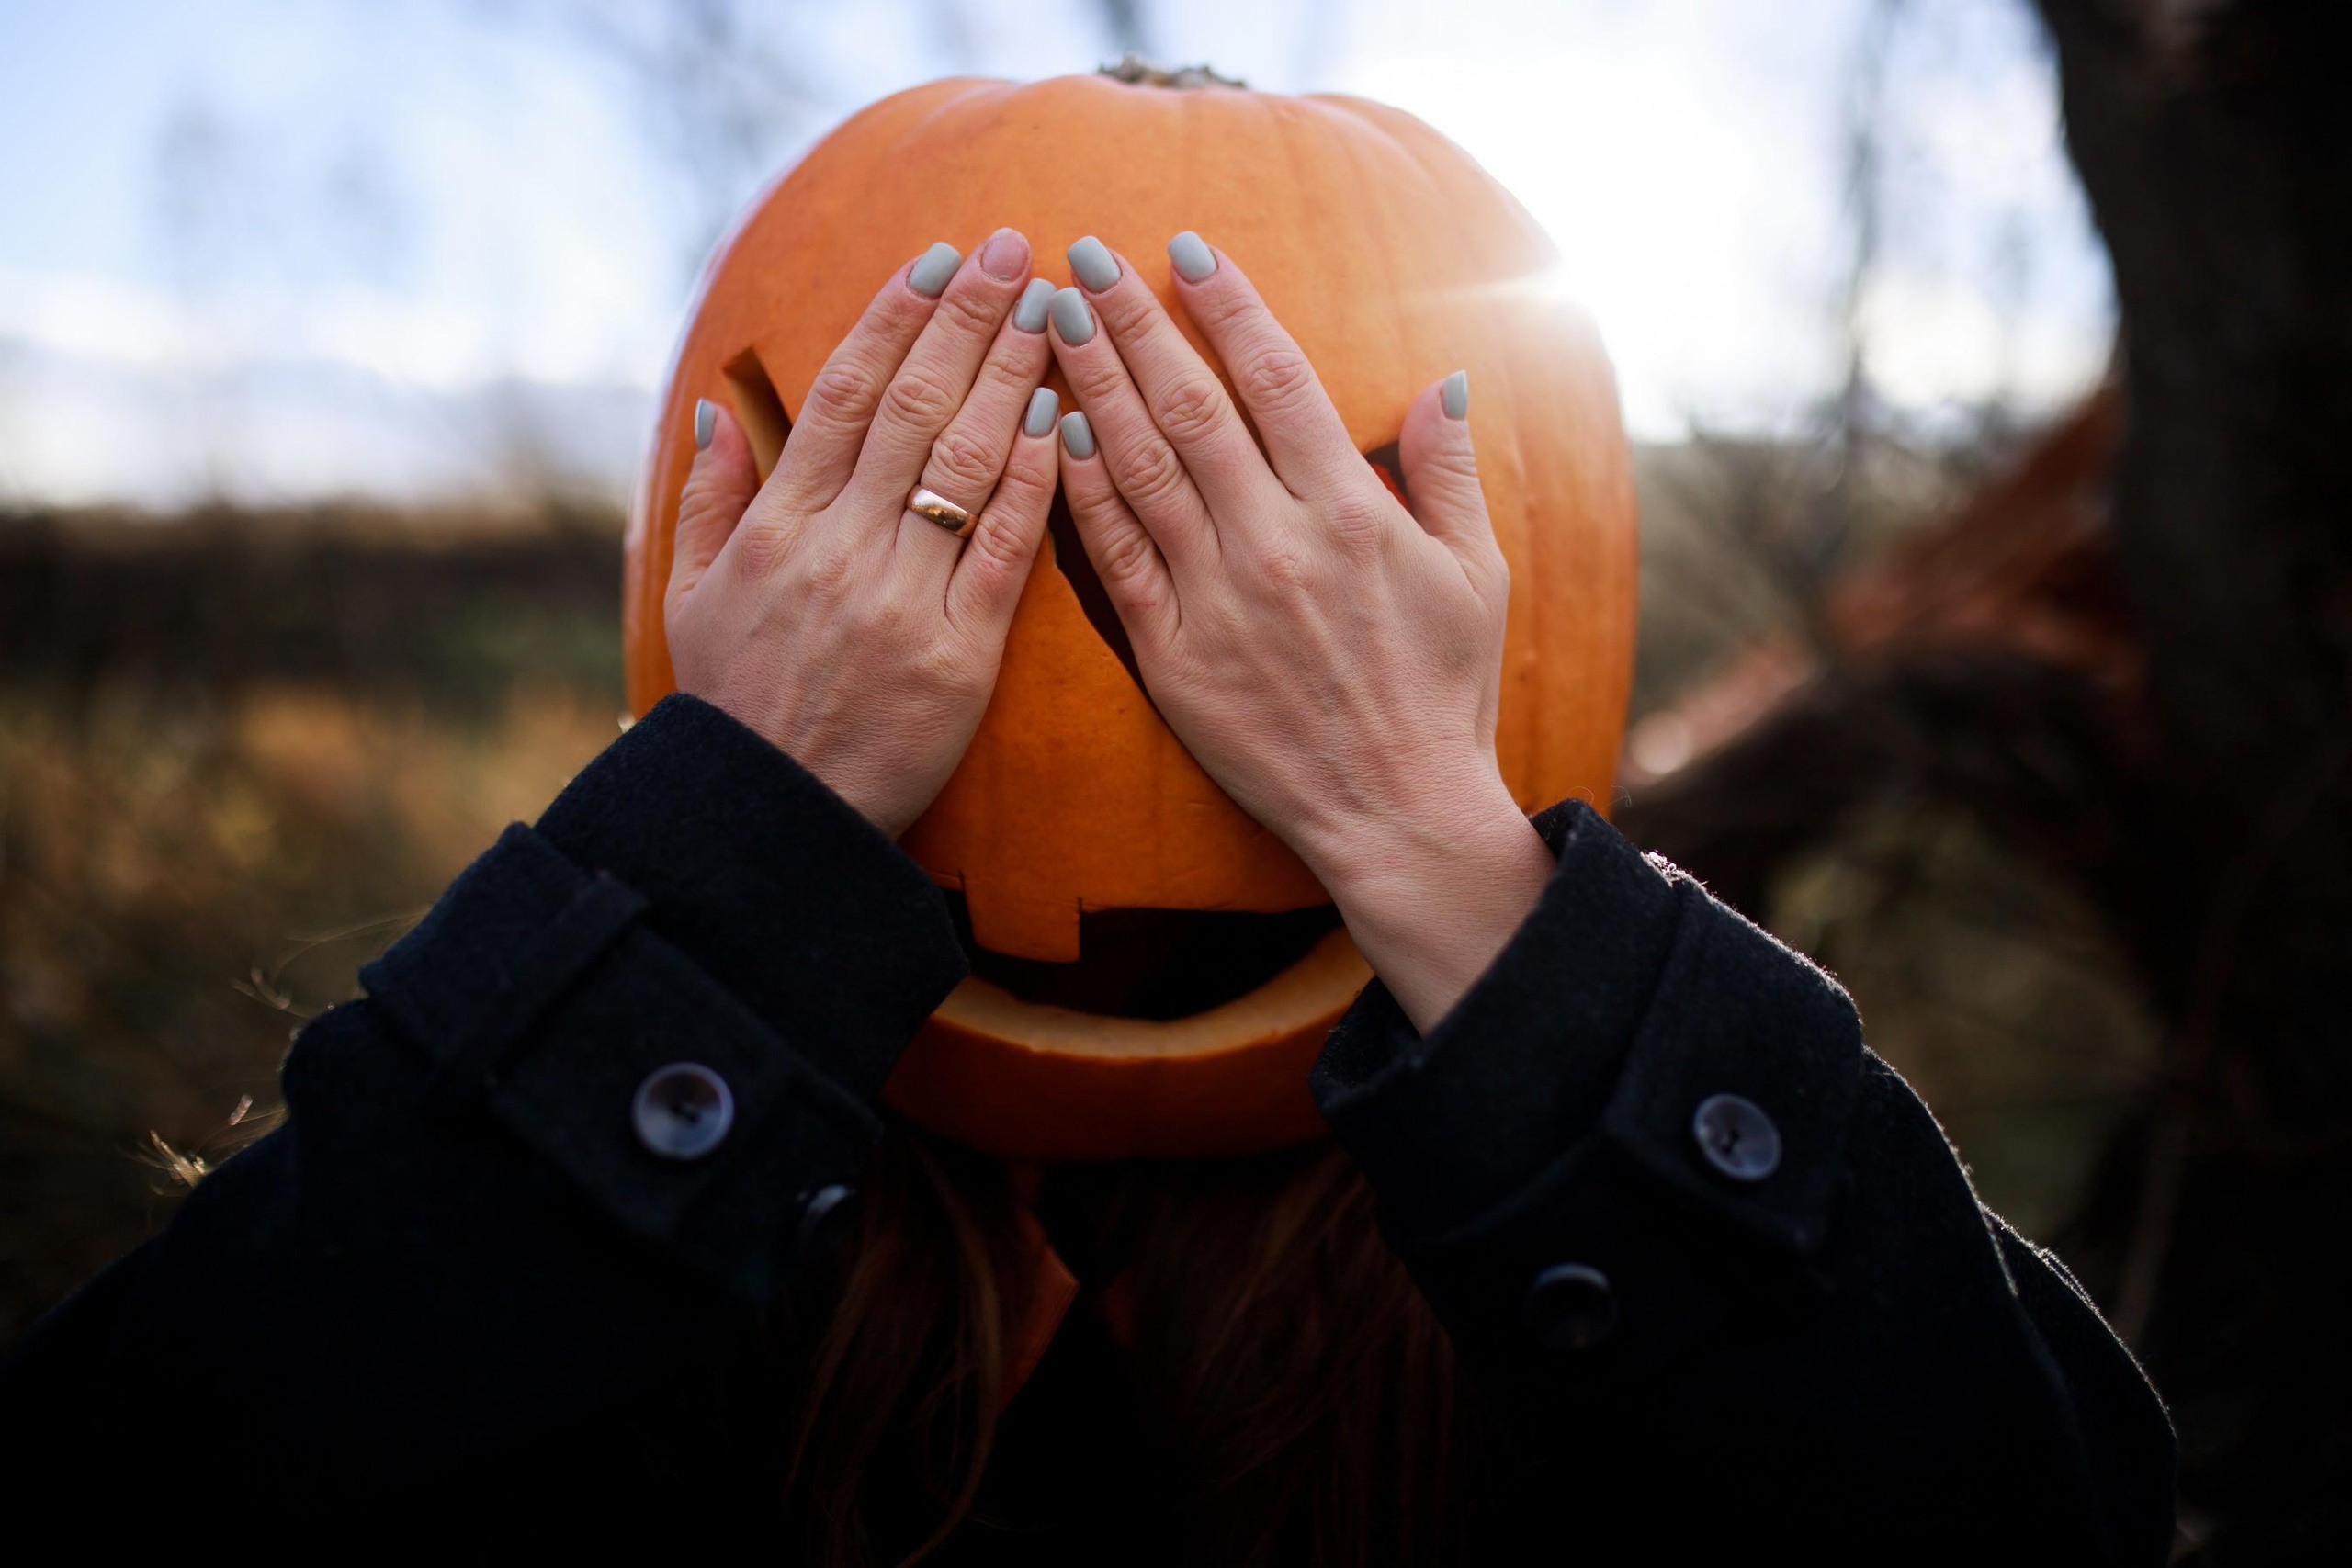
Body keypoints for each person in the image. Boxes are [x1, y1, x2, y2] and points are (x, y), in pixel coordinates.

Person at [0, 229, 2174, 1562]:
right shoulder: (649, 1266)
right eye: (931, 539)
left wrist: (1429, 842)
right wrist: (723, 853)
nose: (1100, 705)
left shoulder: (1547, 1263)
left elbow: (2022, 1521)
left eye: (1268, 549)